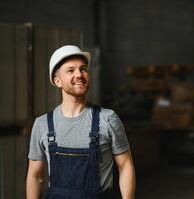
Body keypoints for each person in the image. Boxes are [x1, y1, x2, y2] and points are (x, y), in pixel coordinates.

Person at [26, 45, 136, 199]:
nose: (79, 74)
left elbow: (125, 166)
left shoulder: (108, 119)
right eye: (70, 70)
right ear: (57, 81)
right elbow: (35, 175)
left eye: (83, 69)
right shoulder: (42, 124)